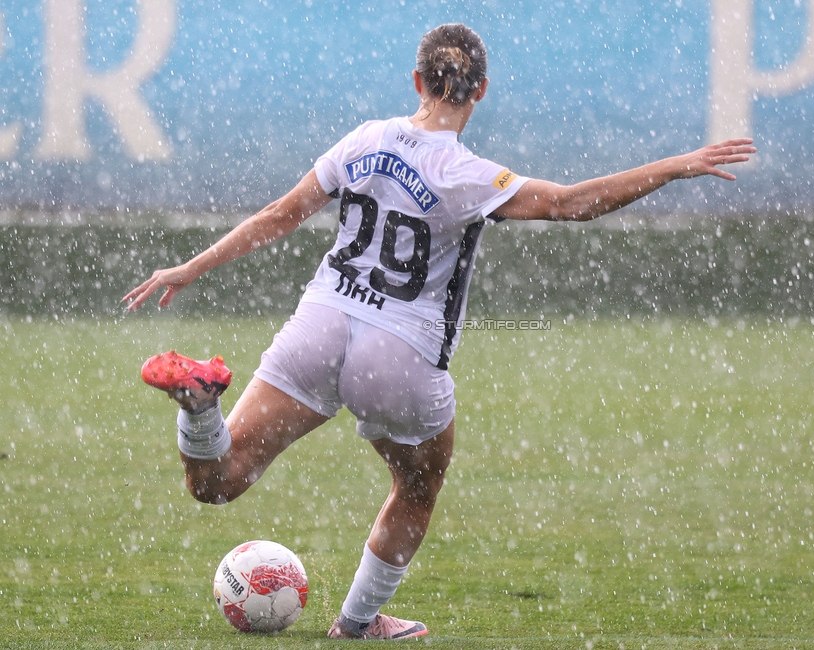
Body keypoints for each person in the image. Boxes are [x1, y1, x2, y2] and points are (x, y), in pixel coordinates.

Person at [124, 23, 755, 640]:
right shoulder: (467, 172)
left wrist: (191, 267)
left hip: (320, 323)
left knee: (219, 478)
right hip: (398, 351)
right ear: (480, 91)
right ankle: (356, 624)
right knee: (416, 489)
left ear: (418, 79)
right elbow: (570, 203)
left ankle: (201, 408)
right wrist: (675, 166)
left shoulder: (366, 139)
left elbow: (279, 216)